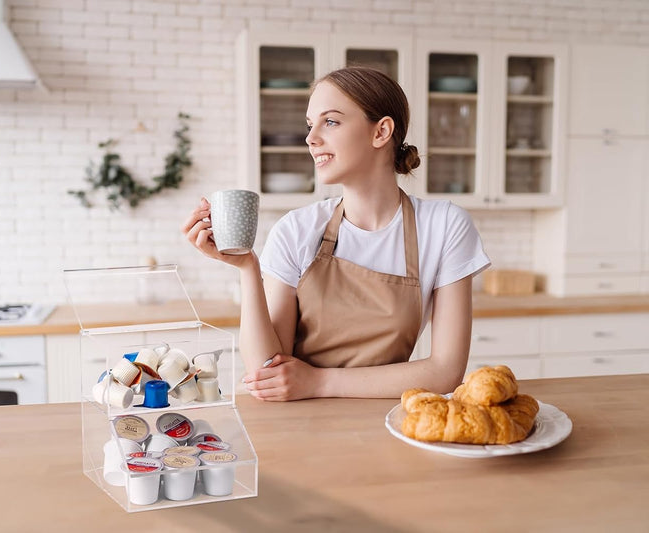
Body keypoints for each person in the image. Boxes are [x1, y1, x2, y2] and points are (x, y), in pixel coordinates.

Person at [182, 66, 490, 401]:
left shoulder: (443, 226)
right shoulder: (296, 230)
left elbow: (445, 371)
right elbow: (265, 370)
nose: (311, 138)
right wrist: (247, 268)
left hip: (386, 419)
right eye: (309, 124)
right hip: (296, 422)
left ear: (381, 131)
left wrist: (317, 382)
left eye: (330, 121)